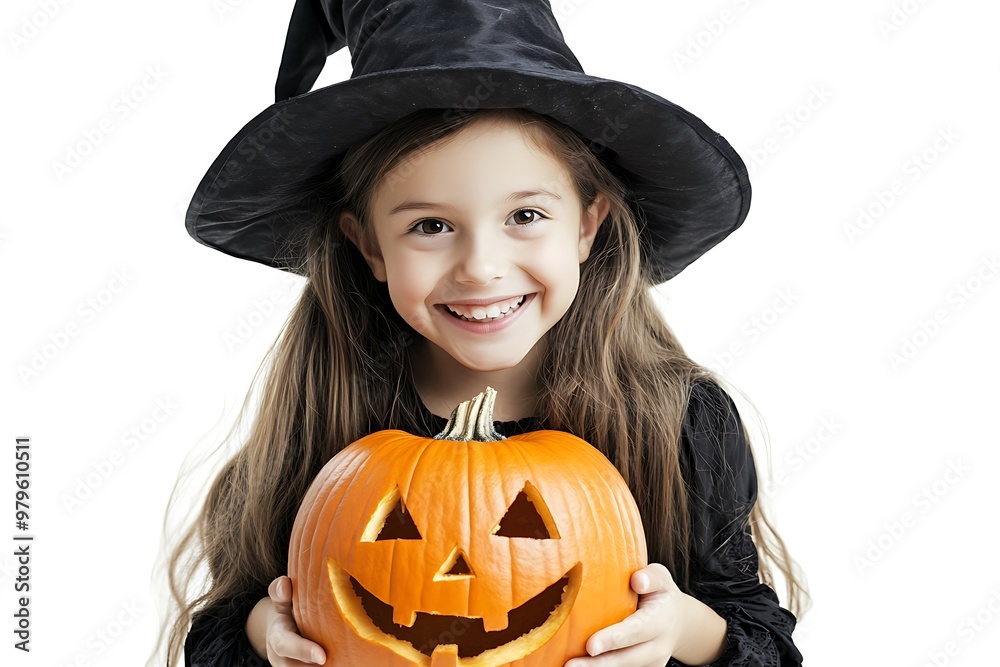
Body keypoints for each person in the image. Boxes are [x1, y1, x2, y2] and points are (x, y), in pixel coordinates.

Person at [160, 1, 810, 665]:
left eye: (524, 214)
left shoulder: (680, 420)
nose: (481, 267)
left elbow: (764, 644)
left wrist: (684, 631)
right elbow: (218, 632)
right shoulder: (321, 409)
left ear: (586, 226)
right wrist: (261, 631)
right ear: (369, 246)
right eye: (431, 226)